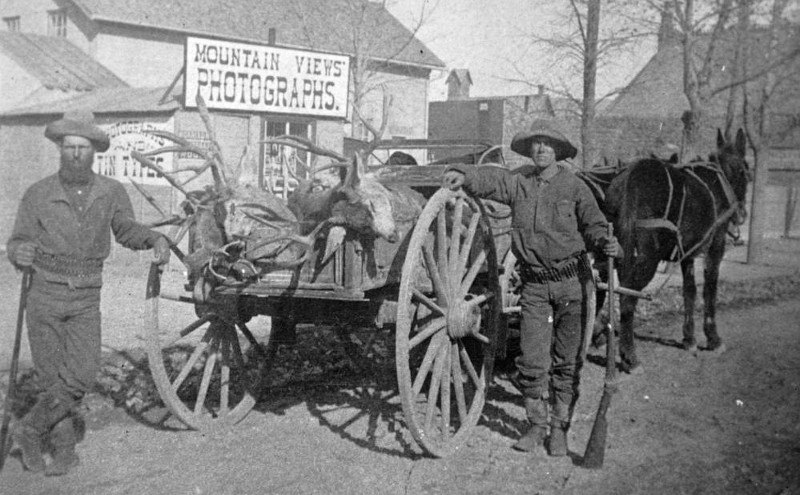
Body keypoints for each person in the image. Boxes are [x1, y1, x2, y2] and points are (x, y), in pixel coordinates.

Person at [6, 110, 170, 475]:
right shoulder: (38, 194)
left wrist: (155, 238)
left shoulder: (111, 192)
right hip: (44, 295)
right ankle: (64, 452)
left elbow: (125, 229)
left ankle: (29, 429)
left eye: (82, 147)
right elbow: (18, 240)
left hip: (85, 298)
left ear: (94, 150)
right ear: (60, 149)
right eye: (69, 147)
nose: (75, 154)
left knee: (80, 376)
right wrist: (20, 252)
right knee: (53, 380)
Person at [442, 121, 620, 456]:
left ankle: (560, 429)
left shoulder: (574, 186)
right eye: (536, 144)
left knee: (567, 362)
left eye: (548, 145)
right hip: (535, 286)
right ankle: (537, 426)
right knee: (532, 360)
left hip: (573, 282)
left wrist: (607, 243)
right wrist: (463, 174)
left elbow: (595, 225)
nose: (541, 149)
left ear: (559, 152)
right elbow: (491, 180)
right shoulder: (519, 181)